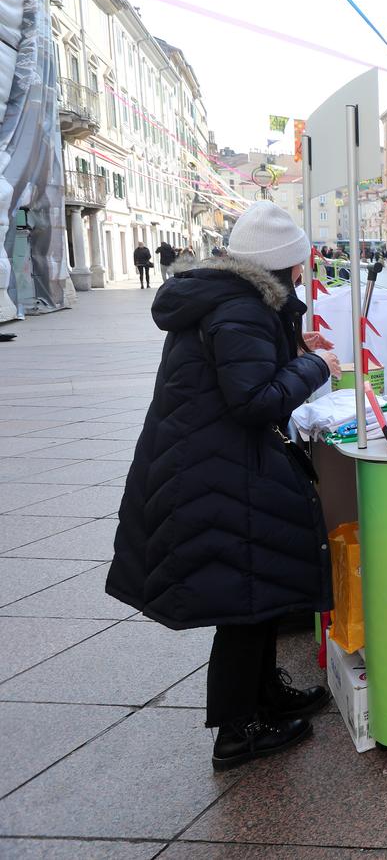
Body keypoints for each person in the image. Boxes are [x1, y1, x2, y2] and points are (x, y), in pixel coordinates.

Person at [107, 201, 342, 771]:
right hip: (220, 467)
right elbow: (253, 401)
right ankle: (238, 729)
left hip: (213, 461)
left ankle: (265, 694)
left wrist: (293, 350)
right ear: (284, 265)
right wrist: (317, 366)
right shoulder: (241, 310)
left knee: (258, 592)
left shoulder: (229, 298)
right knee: (245, 597)